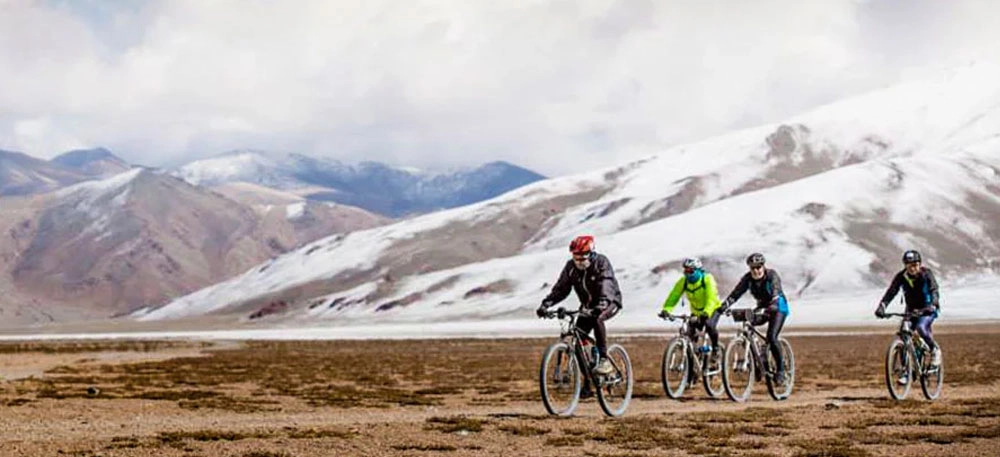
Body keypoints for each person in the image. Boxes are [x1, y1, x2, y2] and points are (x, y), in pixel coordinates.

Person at [537, 235, 623, 376]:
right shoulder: (571, 267)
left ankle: (604, 359)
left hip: (610, 302)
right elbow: (561, 289)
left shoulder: (601, 263)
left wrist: (602, 303)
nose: (579, 261)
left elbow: (606, 284)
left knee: (598, 319)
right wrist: (546, 304)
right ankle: (588, 383)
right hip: (587, 306)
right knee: (577, 342)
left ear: (592, 253)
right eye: (576, 257)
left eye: (582, 258)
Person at [720, 252, 790, 385]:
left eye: (759, 267)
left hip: (778, 307)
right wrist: (724, 306)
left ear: (763, 266)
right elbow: (736, 293)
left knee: (772, 337)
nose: (756, 270)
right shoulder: (747, 279)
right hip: (762, 306)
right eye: (753, 268)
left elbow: (775, 291)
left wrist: (773, 304)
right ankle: (758, 362)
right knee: (748, 326)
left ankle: (780, 370)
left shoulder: (771, 275)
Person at [875, 250, 941, 370]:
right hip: (911, 310)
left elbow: (934, 289)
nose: (912, 268)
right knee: (904, 334)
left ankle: (934, 350)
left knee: (921, 327)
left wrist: (934, 303)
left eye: (915, 265)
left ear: (920, 264)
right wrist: (882, 306)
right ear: (905, 265)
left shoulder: (926, 274)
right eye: (909, 265)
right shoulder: (901, 277)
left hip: (928, 309)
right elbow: (891, 292)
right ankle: (906, 371)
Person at [658, 257, 724, 365]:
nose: (688, 274)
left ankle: (716, 349)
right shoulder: (683, 281)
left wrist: (706, 312)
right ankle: (693, 364)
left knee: (709, 325)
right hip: (697, 311)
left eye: (691, 271)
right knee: (690, 336)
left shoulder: (707, 279)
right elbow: (674, 295)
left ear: (698, 270)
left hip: (713, 309)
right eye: (686, 271)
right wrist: (666, 309)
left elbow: (711, 298)